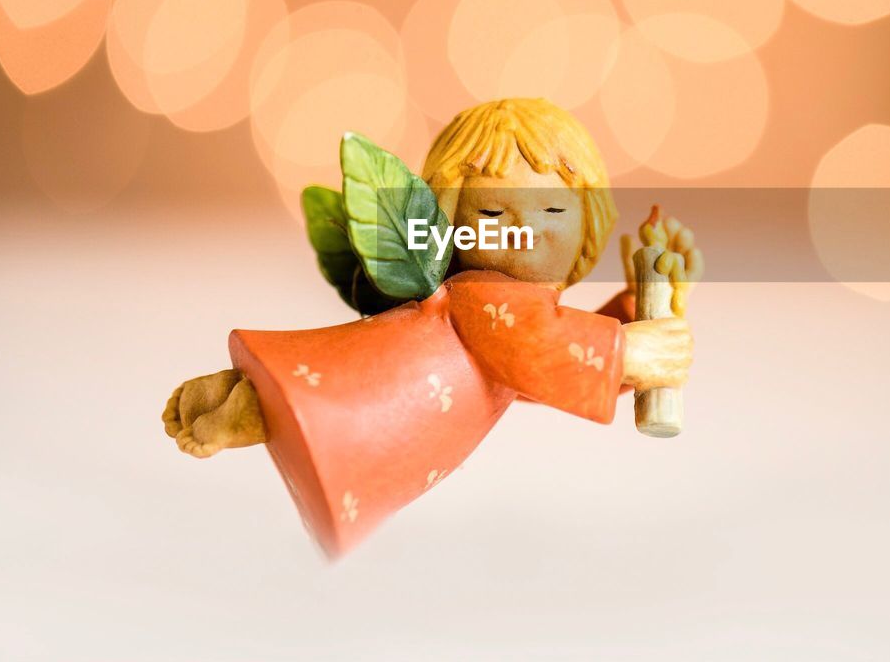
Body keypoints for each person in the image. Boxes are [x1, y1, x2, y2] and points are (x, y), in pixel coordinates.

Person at [161, 98, 696, 557]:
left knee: (303, 396)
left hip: (401, 380)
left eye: (553, 208)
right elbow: (543, 351)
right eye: (492, 215)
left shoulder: (522, 308)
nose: (526, 230)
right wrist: (633, 353)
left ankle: (230, 397)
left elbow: (553, 361)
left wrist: (638, 308)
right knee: (315, 410)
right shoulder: (487, 295)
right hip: (395, 389)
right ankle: (240, 411)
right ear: (447, 222)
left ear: (589, 224)